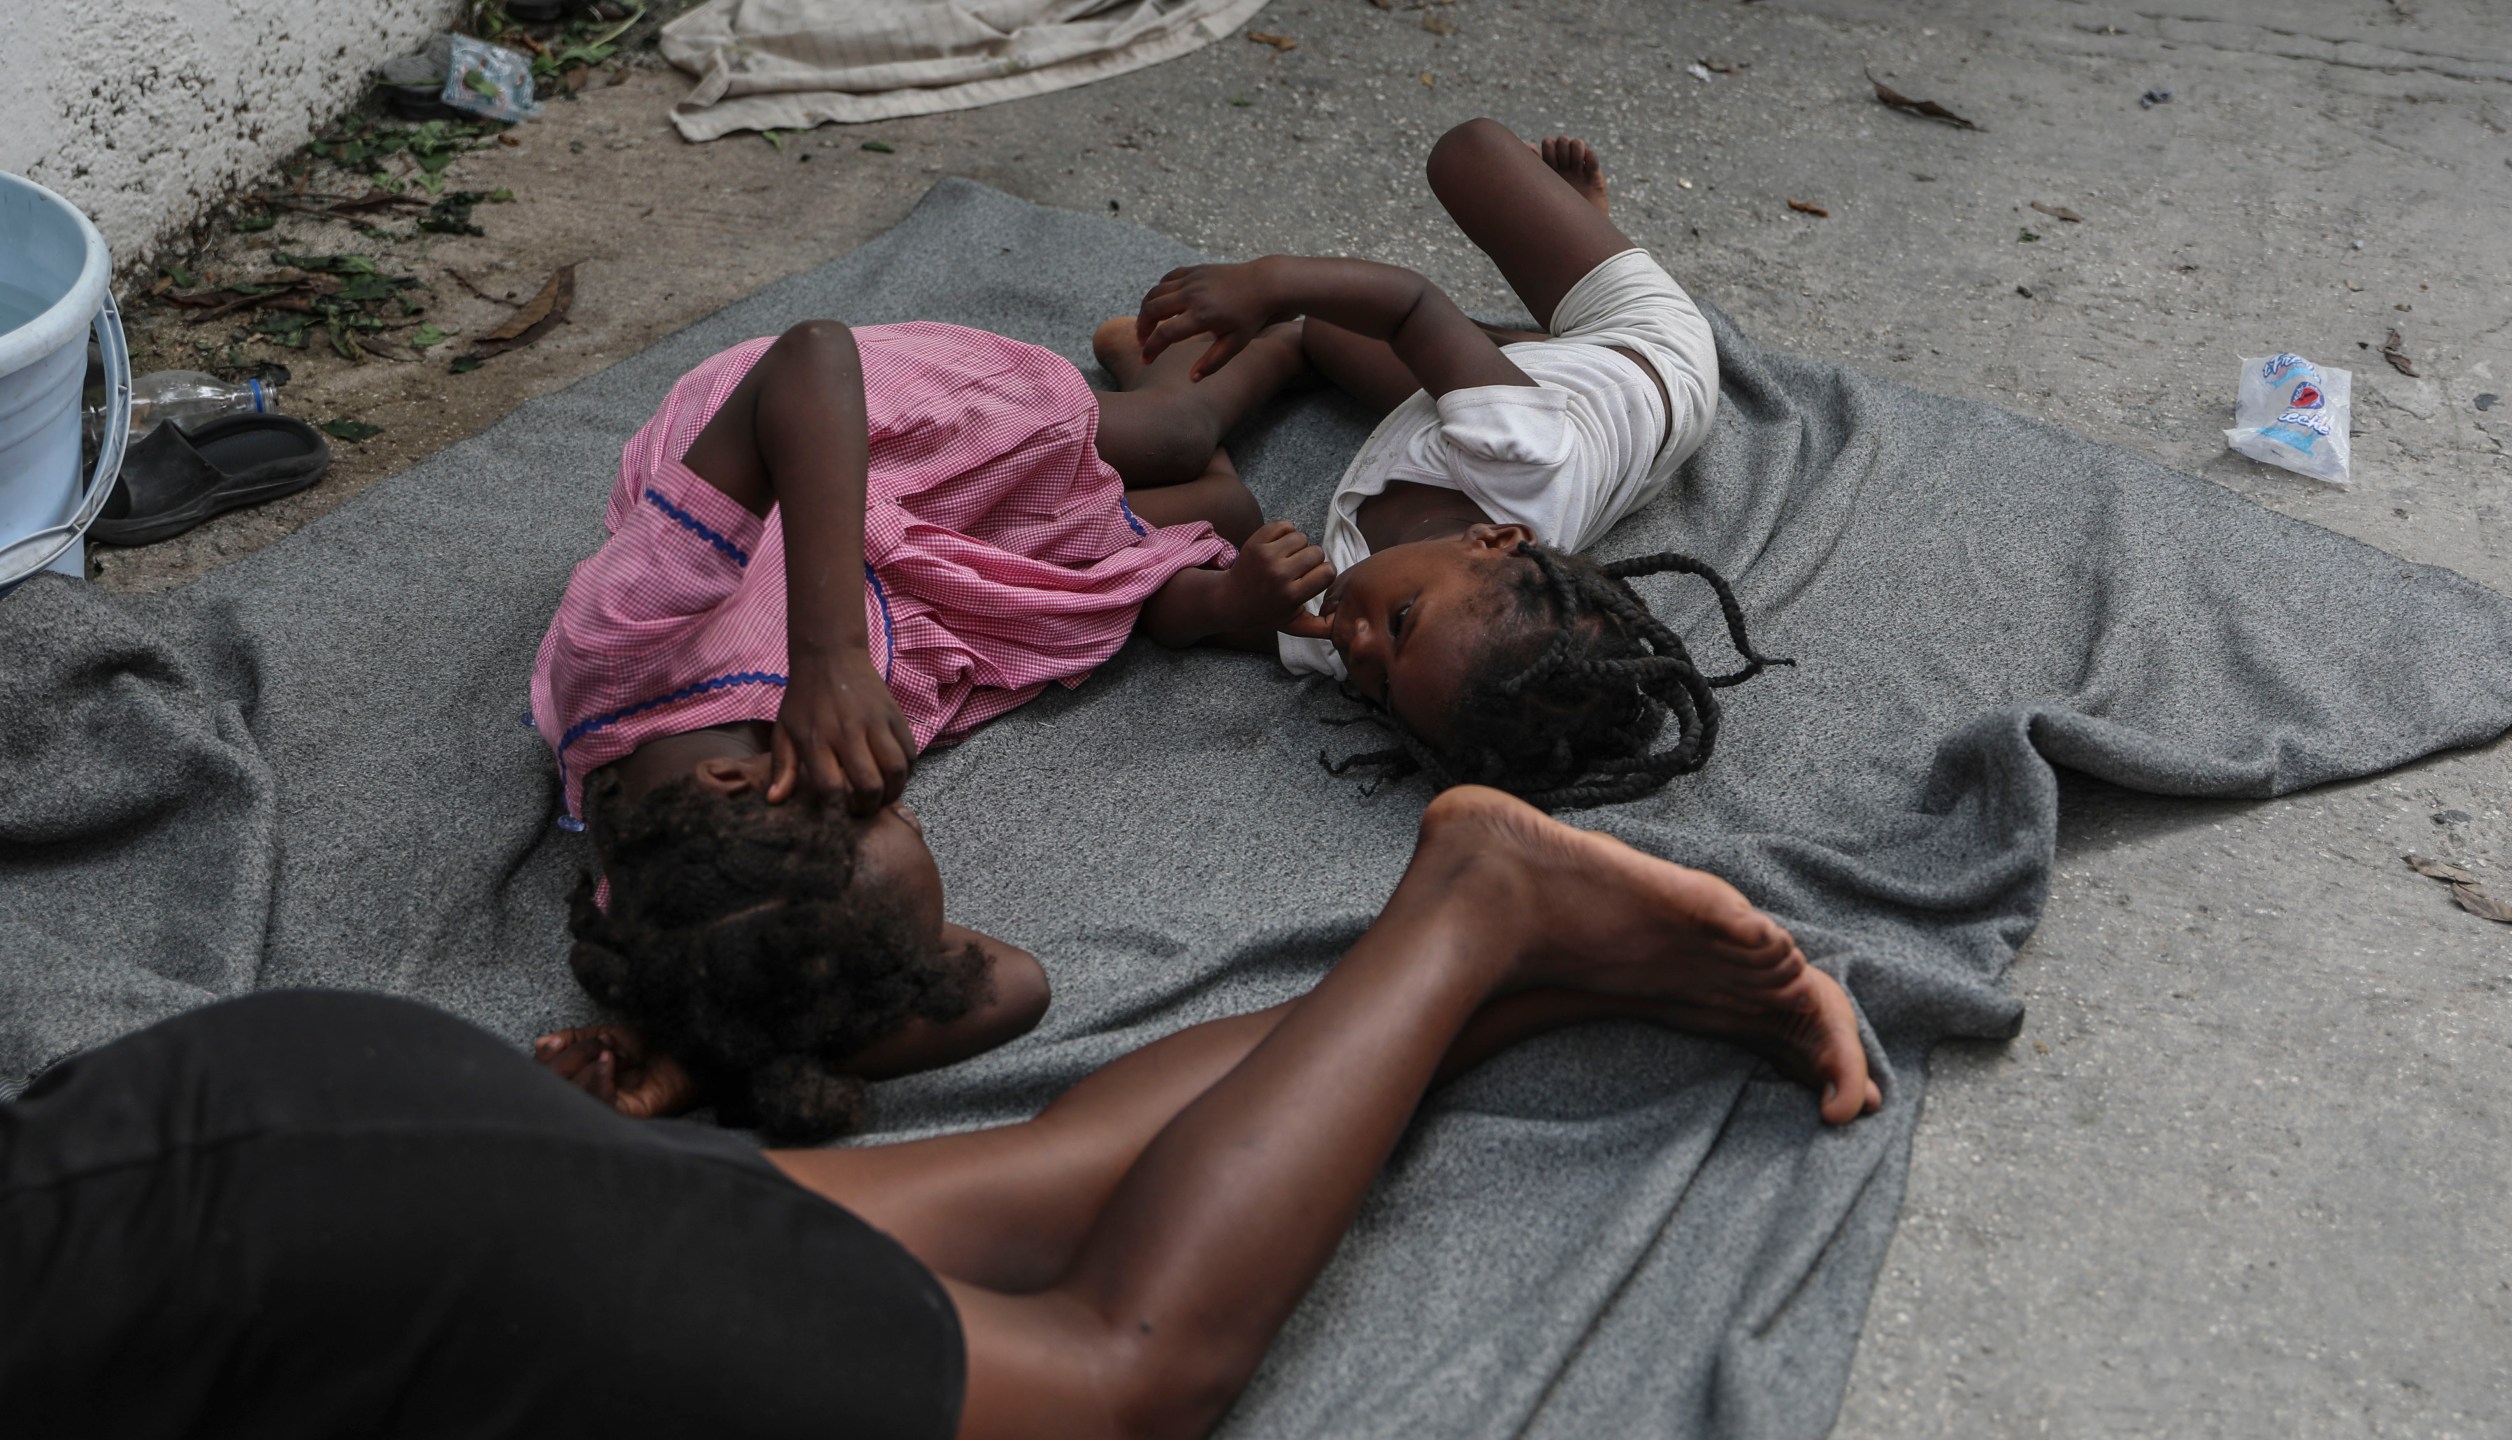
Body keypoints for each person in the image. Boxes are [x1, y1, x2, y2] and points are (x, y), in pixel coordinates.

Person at [0, 787, 1880, 1440]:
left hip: (334, 1271)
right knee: (1041, 1187)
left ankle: (1477, 899)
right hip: (259, 1101)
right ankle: (1480, 981)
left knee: (1114, 1373)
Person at [528, 315, 1329, 1138]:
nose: (902, 797)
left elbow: (811, 356)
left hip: (820, 449)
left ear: (735, 781)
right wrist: (713, 1058)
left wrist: (829, 657)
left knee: (1175, 434)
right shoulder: (710, 950)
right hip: (906, 578)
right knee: (1217, 517)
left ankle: (1285, 339)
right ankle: (1132, 458)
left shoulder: (623, 638)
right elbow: (1016, 987)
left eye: (867, 803)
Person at [1109, 120, 1787, 811]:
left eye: (1381, 687)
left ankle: (1476, 348)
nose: (1359, 642)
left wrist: (1228, 602)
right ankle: (1574, 239)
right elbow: (1409, 305)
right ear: (1493, 539)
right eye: (1402, 619)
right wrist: (1270, 283)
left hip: (1489, 405)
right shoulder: (1521, 455)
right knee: (1469, 156)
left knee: (1324, 339)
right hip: (1642, 355)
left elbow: (1161, 606)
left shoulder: (1343, 637)